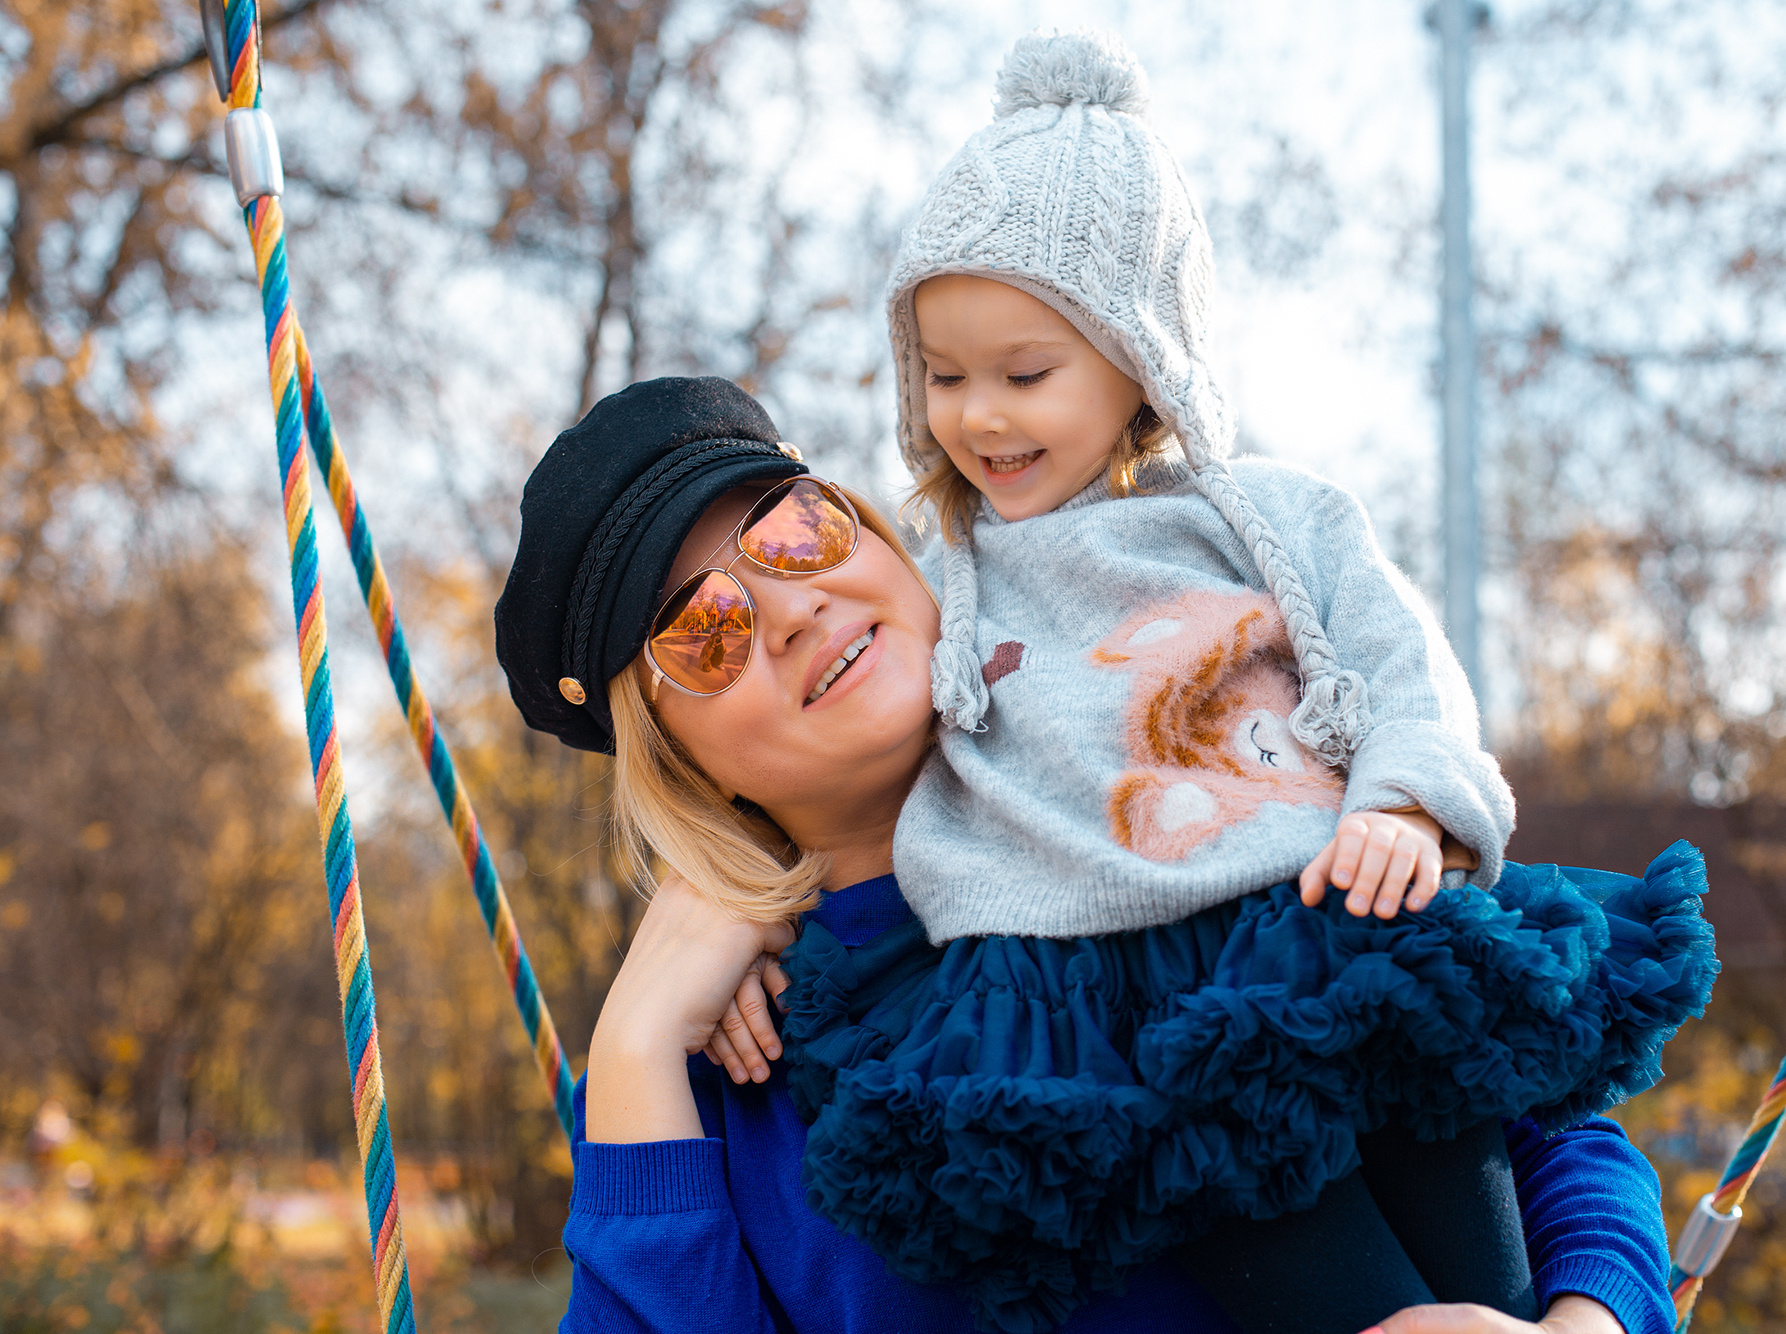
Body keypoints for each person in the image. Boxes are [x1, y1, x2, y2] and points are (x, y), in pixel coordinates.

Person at [769, 30, 1718, 1334]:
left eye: (1024, 372)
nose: (979, 415)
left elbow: (1398, 666)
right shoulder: (948, 569)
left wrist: (1403, 806)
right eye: (944, 376)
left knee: (1469, 1209)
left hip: (1323, 913)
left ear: (1139, 353)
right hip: (1106, 985)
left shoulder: (1266, 516)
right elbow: (831, 721)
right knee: (1264, 1217)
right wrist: (736, 925)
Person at [494, 376, 1683, 1334]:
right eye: (703, 629)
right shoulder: (721, 1079)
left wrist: (1584, 1317)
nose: (790, 606)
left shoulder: (1188, 791)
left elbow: (1527, 1115)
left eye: (795, 529)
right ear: (679, 758)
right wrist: (638, 1044)